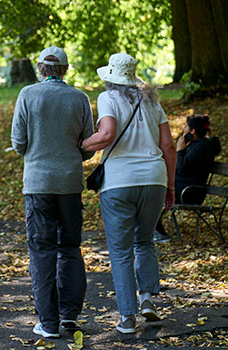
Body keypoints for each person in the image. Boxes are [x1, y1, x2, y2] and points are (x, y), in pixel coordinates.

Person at [79, 53, 177, 334]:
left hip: (119, 183)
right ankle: (147, 299)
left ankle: (127, 318)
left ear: (110, 77)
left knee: (121, 252)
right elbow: (169, 146)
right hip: (154, 180)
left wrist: (82, 144)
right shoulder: (153, 101)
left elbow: (107, 134)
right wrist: (170, 185)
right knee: (144, 242)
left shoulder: (107, 98)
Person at [11, 46, 95, 338]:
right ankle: (70, 316)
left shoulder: (28, 95)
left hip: (38, 184)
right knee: (70, 248)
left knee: (42, 251)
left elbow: (19, 142)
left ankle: (48, 323)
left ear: (40, 69)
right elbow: (88, 143)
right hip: (70, 183)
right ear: (66, 70)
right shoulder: (79, 98)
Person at [154, 114, 221, 242]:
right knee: (152, 189)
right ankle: (154, 230)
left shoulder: (202, 148)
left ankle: (159, 232)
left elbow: (181, 168)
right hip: (184, 187)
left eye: (185, 127)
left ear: (192, 131)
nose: (183, 130)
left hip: (191, 192)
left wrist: (179, 150)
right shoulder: (194, 145)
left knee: (155, 192)